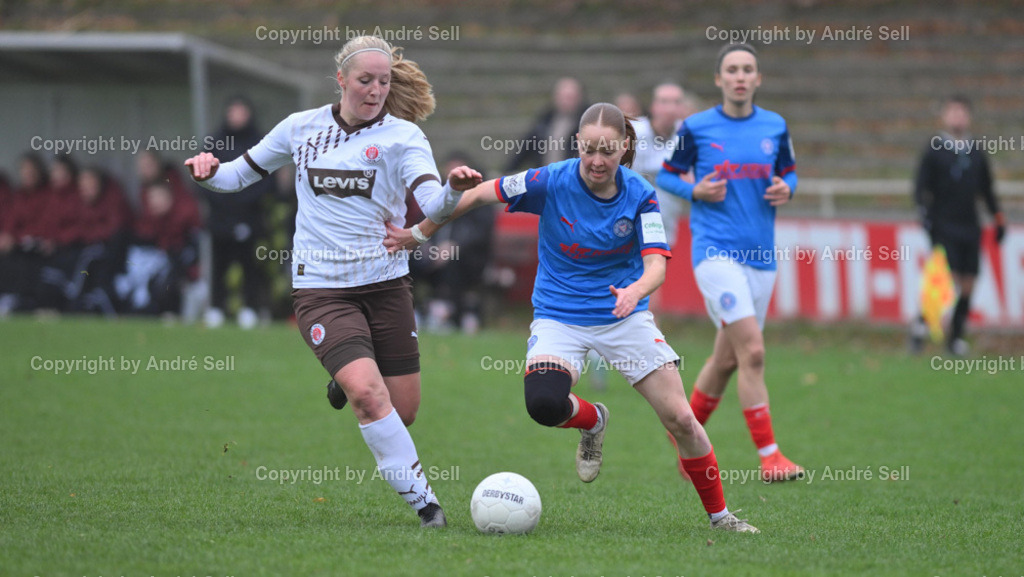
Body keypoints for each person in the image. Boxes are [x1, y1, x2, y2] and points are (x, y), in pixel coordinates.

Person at [389, 102, 760, 533]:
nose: (597, 160)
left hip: (623, 317)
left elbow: (657, 265)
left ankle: (722, 518)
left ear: (624, 147)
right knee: (543, 404)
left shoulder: (641, 193)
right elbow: (477, 194)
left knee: (681, 419)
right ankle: (593, 420)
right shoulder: (550, 180)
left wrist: (635, 291)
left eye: (608, 150)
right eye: (589, 149)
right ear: (577, 144)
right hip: (559, 316)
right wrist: (419, 233)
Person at [184, 35, 482, 528]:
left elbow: (432, 205)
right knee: (369, 396)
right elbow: (236, 176)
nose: (376, 90)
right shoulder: (300, 128)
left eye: (383, 81)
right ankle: (428, 507)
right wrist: (206, 173)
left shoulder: (404, 137)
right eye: (365, 80)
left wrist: (452, 190)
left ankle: (345, 374)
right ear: (341, 79)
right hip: (321, 289)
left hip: (386, 285)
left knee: (403, 411)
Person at [656, 43, 804, 483]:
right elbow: (666, 174)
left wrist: (788, 188)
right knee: (753, 351)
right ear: (719, 79)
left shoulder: (775, 126)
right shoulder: (697, 127)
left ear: (758, 79)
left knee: (727, 361)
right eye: (732, 70)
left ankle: (683, 438)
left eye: (747, 69)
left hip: (761, 257)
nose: (740, 77)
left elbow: (789, 171)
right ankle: (770, 457)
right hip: (715, 254)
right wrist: (694, 191)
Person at [910, 95, 1005, 356]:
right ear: (944, 116)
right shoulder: (934, 149)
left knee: (969, 282)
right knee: (947, 279)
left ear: (969, 117)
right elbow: (920, 187)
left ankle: (955, 336)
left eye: (962, 113)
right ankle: (921, 326)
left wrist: (998, 218)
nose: (958, 117)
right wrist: (925, 215)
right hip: (943, 224)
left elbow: (987, 190)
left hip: (970, 225)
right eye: (953, 112)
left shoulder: (976, 152)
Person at [201, 95, 276, 329]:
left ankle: (250, 308)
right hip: (220, 219)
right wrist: (225, 201)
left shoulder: (260, 143)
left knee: (250, 265)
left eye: (241, 111)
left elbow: (266, 180)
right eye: (233, 111)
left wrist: (243, 203)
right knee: (219, 265)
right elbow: (204, 178)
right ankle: (216, 307)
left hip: (249, 218)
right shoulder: (215, 142)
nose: (236, 116)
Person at [632, 82, 693, 248]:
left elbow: (691, 178)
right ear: (653, 106)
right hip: (632, 212)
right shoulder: (634, 132)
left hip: (668, 215)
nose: (670, 109)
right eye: (664, 102)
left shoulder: (688, 136)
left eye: (676, 102)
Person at [505, 76, 589, 172]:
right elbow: (524, 149)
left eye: (570, 97)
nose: (565, 101)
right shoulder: (545, 120)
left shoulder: (587, 124)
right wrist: (507, 171)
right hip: (546, 176)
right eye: (562, 96)